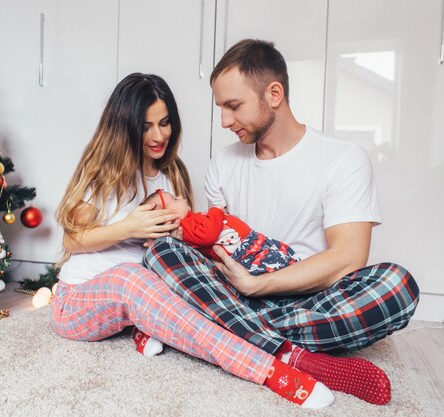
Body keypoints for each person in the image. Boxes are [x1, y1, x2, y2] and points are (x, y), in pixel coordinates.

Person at [143, 40, 420, 406]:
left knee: (397, 285)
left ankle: (228, 335)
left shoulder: (344, 160)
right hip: (233, 291)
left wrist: (259, 285)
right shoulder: (222, 164)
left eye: (234, 106)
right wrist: (238, 283)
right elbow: (215, 247)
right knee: (160, 252)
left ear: (274, 94)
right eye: (221, 109)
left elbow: (349, 257)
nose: (224, 121)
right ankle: (297, 357)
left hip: (311, 298)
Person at [50, 72, 334, 409]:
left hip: (141, 296)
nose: (159, 135)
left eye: (165, 122)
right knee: (132, 279)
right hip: (77, 301)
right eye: (146, 126)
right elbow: (72, 240)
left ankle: (153, 328)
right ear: (124, 126)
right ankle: (272, 369)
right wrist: (129, 227)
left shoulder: (172, 174)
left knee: (184, 276)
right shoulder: (105, 174)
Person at [143, 189, 300, 275]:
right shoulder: (184, 226)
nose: (180, 196)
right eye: (174, 199)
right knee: (275, 262)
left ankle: (297, 267)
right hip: (245, 252)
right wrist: (216, 210)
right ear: (167, 216)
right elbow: (207, 236)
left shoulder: (192, 219)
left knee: (282, 252)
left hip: (253, 241)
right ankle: (292, 275)